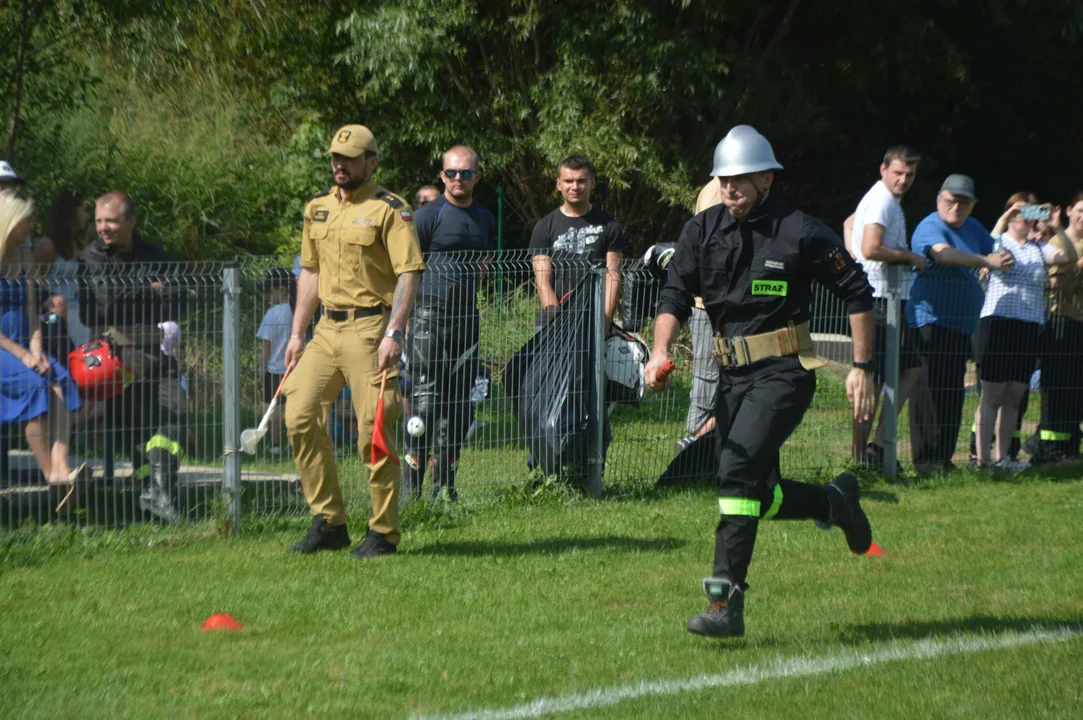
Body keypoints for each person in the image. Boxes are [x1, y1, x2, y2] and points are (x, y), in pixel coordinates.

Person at [644, 125, 877, 639]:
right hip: (732, 378)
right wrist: (660, 351)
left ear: (766, 179)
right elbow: (674, 296)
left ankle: (724, 602)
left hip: (786, 373)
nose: (731, 188)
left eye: (741, 179)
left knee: (736, 469)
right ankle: (834, 503)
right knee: (759, 491)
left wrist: (861, 367)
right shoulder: (700, 231)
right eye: (724, 179)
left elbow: (856, 291)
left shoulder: (800, 230)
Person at [282, 124, 424, 558]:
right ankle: (328, 522)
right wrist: (296, 333)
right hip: (326, 329)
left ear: (371, 161)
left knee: (373, 433)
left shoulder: (390, 210)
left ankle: (383, 533)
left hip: (371, 331)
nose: (339, 165)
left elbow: (409, 272)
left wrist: (394, 331)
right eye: (335, 158)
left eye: (350, 158)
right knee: (299, 414)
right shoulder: (317, 208)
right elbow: (310, 272)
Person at [79, 191, 188, 521]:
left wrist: (138, 288)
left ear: (131, 221)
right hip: (116, 356)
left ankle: (158, 491)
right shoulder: (92, 257)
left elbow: (181, 297)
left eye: (111, 221)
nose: (103, 228)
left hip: (157, 352)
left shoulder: (154, 253)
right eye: (98, 221)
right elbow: (104, 302)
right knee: (134, 428)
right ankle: (153, 495)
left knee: (176, 414)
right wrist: (152, 288)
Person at [403, 145, 495, 500]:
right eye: (452, 173)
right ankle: (411, 492)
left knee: (458, 408)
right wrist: (406, 324)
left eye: (466, 173)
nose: (459, 179)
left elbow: (484, 265)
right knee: (424, 405)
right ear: (442, 176)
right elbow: (408, 270)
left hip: (466, 321)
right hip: (427, 319)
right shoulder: (427, 216)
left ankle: (444, 490)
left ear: (477, 176)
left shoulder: (485, 218)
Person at [906, 175, 1014, 472]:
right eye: (950, 200)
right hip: (930, 323)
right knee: (929, 394)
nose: (955, 207)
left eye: (963, 203)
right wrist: (985, 262)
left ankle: (944, 458)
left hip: (960, 326)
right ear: (939, 199)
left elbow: (994, 248)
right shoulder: (931, 226)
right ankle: (927, 461)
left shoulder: (973, 228)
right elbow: (944, 254)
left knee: (952, 393)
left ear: (972, 206)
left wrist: (1004, 251)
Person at [973, 193, 1070, 472]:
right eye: (1020, 212)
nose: (1025, 218)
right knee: (991, 395)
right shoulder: (998, 242)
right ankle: (982, 460)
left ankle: (1003, 458)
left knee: (1014, 395)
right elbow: (985, 247)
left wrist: (1056, 226)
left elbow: (1069, 257)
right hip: (998, 322)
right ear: (1011, 214)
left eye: (1030, 213)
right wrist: (1004, 217)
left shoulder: (1039, 247)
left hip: (1028, 325)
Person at [846, 146, 926, 469]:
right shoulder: (881, 199)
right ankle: (860, 458)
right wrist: (909, 257)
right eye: (898, 173)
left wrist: (852, 258)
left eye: (909, 175)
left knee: (909, 368)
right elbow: (871, 246)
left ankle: (875, 448)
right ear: (883, 169)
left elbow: (849, 222)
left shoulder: (882, 199)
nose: (903, 180)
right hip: (877, 300)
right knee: (874, 382)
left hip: (886, 299)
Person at [0, 192, 83, 498]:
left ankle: (62, 467)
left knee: (58, 377)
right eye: (26, 219)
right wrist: (24, 356)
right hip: (6, 350)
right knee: (36, 387)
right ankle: (52, 476)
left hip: (25, 348)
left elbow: (33, 312)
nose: (31, 225)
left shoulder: (24, 258)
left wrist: (36, 351)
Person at [529, 156, 624, 330]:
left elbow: (613, 277)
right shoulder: (544, 227)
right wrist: (557, 323)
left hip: (594, 321)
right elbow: (543, 280)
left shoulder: (610, 226)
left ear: (592, 182)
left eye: (581, 181)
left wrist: (604, 323)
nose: (575, 187)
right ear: (559, 184)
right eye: (568, 181)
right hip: (551, 324)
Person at [1026, 192, 1083, 463]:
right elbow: (1059, 289)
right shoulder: (1058, 242)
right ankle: (1046, 448)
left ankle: (1070, 447)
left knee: (1076, 389)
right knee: (1057, 387)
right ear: (1069, 210)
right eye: (1080, 210)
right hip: (1061, 322)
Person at [35, 190, 93, 354]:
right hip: (55, 315)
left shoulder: (81, 246)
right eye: (84, 210)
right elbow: (31, 277)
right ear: (71, 213)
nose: (86, 216)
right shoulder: (48, 246)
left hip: (79, 315)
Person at [256, 268, 294, 455]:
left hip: (273, 367)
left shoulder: (272, 313)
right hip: (293, 367)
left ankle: (276, 445)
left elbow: (267, 345)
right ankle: (292, 442)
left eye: (271, 291)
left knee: (274, 408)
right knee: (292, 407)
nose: (269, 296)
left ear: (283, 289)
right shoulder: (295, 311)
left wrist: (262, 368)